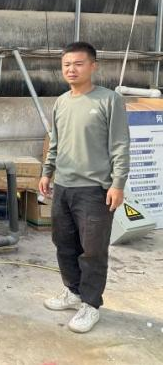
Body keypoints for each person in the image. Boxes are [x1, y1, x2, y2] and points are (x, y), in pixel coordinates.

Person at [39, 41, 130, 333]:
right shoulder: (61, 102)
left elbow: (120, 145)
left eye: (78, 64)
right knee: (64, 244)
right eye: (67, 64)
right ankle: (73, 292)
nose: (71, 69)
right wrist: (47, 172)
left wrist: (118, 184)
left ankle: (91, 304)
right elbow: (55, 142)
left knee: (92, 250)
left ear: (93, 66)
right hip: (63, 186)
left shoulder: (109, 100)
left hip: (94, 189)